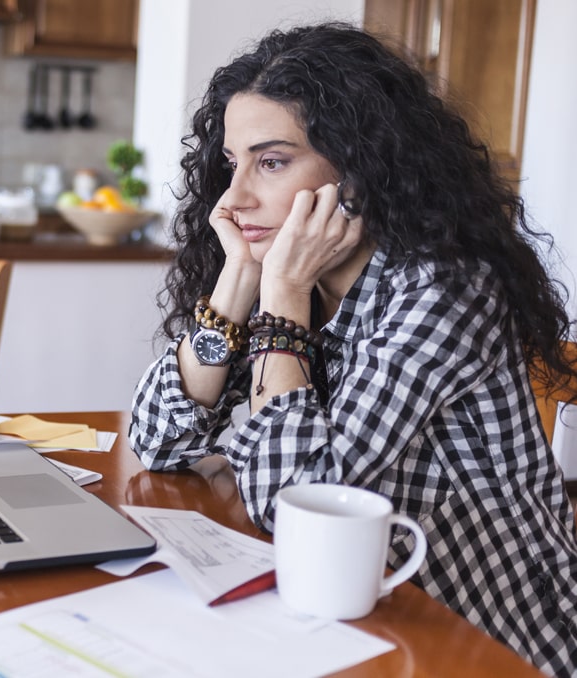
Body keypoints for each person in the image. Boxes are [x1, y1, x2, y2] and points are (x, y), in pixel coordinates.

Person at [129, 22, 577, 675]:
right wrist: (238, 281)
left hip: (485, 642)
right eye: (233, 163)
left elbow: (301, 502)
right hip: (360, 625)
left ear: (361, 168)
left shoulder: (443, 290)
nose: (232, 199)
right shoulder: (288, 274)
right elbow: (159, 439)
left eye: (272, 161)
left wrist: (281, 292)